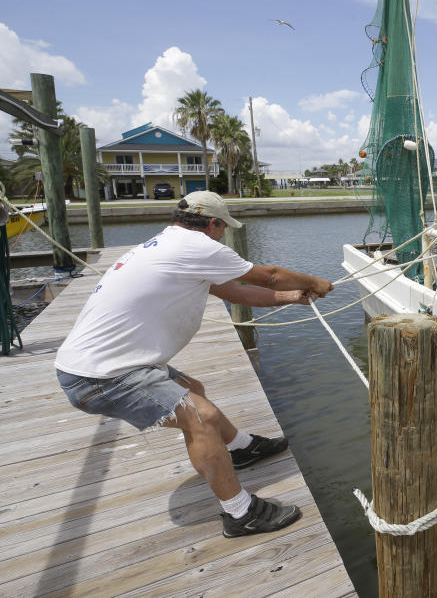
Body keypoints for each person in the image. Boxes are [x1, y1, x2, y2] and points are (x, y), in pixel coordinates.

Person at [54, 191, 334, 537]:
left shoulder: (164, 245)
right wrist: (313, 282)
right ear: (213, 224)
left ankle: (242, 449)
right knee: (203, 417)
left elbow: (237, 293)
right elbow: (270, 275)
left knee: (192, 390)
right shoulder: (198, 247)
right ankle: (240, 513)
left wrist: (293, 297)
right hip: (100, 375)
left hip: (104, 364)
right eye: (222, 228)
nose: (223, 235)